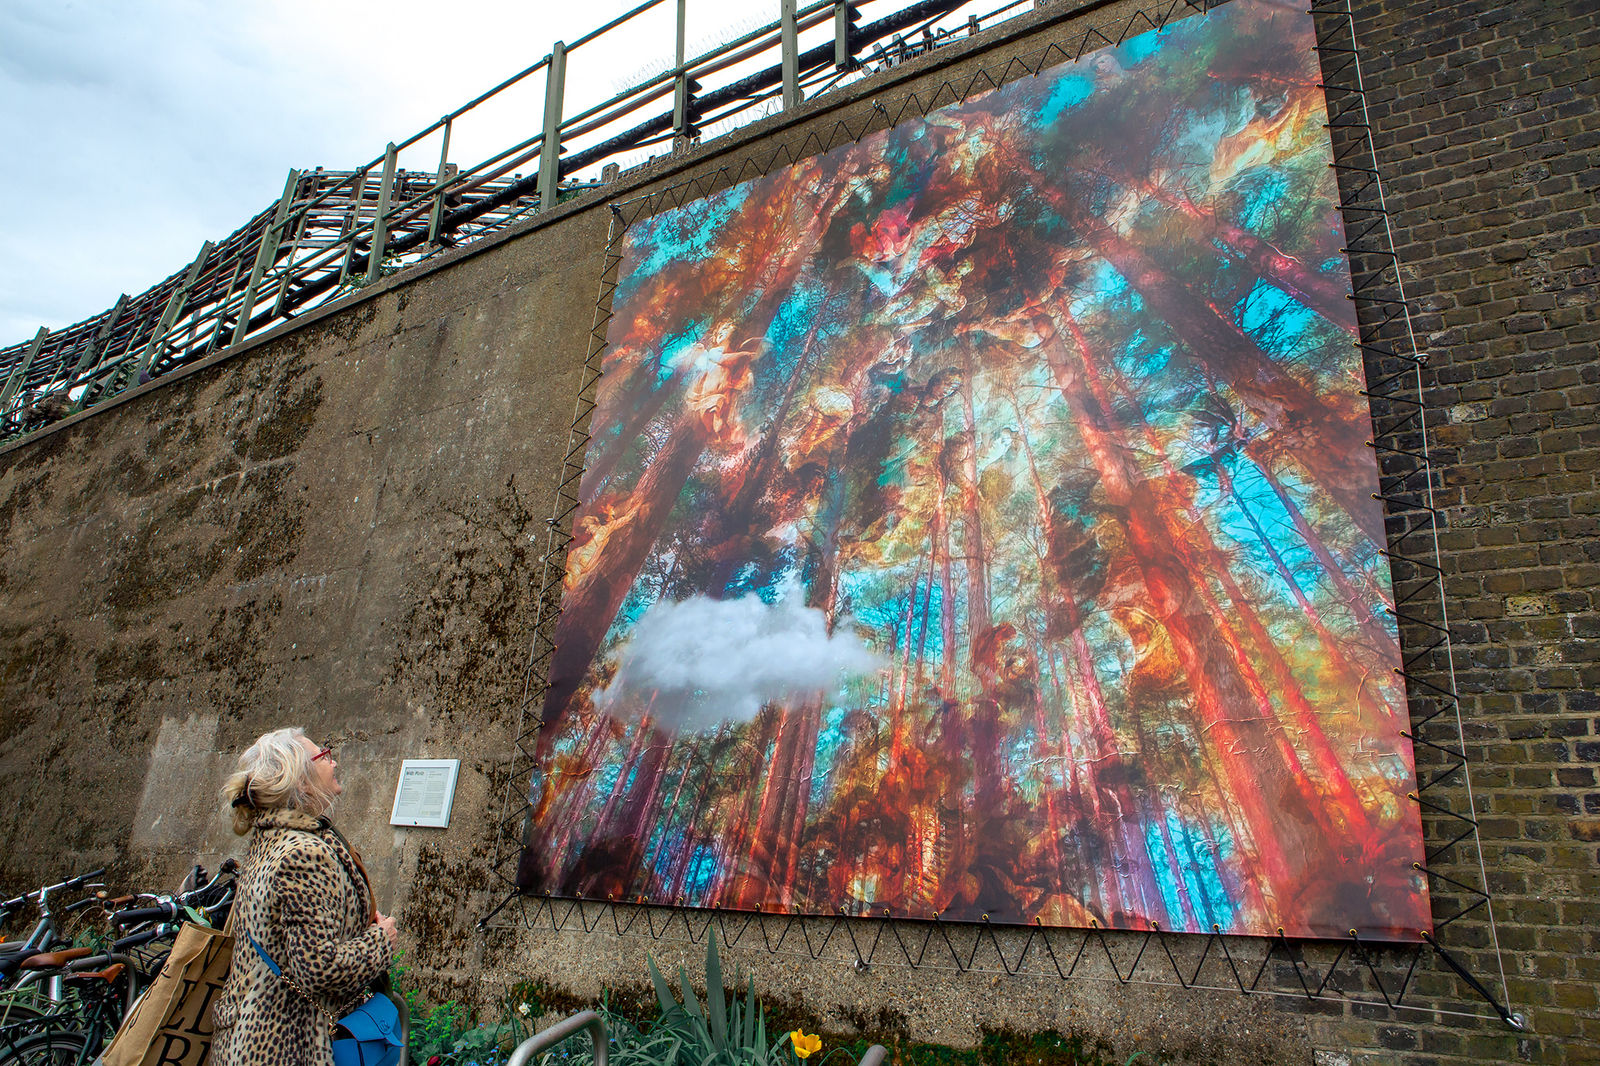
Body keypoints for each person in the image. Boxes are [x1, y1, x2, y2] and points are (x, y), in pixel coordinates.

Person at [211, 728, 399, 1066]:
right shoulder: (304, 852)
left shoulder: (271, 840)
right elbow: (319, 969)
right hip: (287, 1046)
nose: (334, 760)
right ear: (300, 782)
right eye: (323, 755)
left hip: (250, 1038)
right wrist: (381, 941)